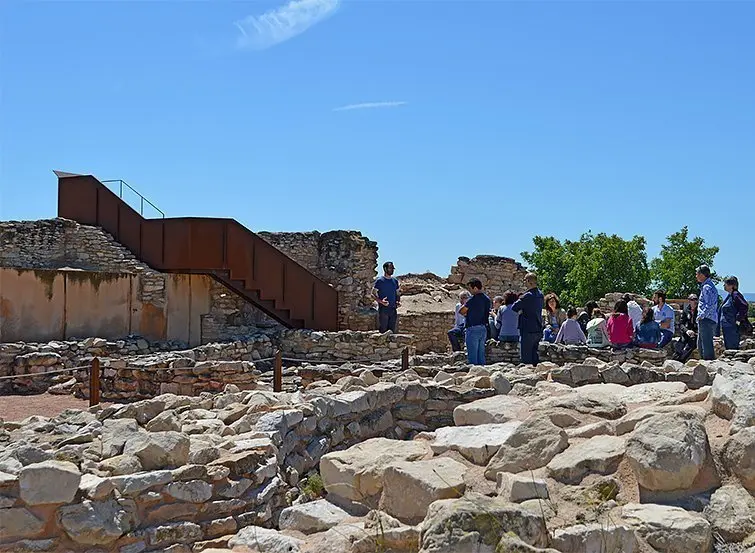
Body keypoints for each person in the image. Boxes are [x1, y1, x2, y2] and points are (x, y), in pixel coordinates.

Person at [512, 273, 544, 366]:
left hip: (527, 328)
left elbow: (514, 307)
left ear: (529, 281)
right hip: (537, 327)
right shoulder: (541, 294)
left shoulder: (527, 296)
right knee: (534, 356)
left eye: (525, 280)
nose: (524, 282)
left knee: (526, 358)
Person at [459, 279, 491, 365]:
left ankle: (474, 374)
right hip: (483, 327)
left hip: (472, 328)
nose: (469, 291)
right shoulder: (487, 299)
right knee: (481, 353)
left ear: (475, 288)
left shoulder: (472, 300)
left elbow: (461, 311)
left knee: (472, 355)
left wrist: (467, 314)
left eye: (470, 288)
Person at [720, 276, 750, 350]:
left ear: (731, 285)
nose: (724, 285)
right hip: (728, 328)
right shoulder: (730, 295)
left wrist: (738, 320)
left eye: (725, 284)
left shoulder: (735, 294)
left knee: (732, 349)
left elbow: (744, 306)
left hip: (732, 328)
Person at [696, 265, 719, 360]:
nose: (696, 276)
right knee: (701, 344)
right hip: (708, 319)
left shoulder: (707, 287)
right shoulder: (709, 286)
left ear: (702, 275)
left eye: (697, 273)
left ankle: (708, 365)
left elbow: (710, 304)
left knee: (706, 345)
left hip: (706, 319)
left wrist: (702, 315)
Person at [373, 262, 401, 333]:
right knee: (383, 331)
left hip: (393, 309)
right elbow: (372, 294)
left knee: (392, 332)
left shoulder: (395, 281)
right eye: (390, 268)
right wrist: (381, 302)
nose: (392, 270)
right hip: (383, 310)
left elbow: (397, 293)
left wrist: (398, 301)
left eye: (393, 268)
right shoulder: (379, 281)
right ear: (385, 269)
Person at [674, 294, 699, 362]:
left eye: (695, 299)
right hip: (687, 332)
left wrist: (695, 332)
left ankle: (681, 360)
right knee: (680, 343)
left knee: (691, 345)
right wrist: (686, 331)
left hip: (696, 333)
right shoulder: (686, 310)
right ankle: (675, 359)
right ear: (689, 301)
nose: (694, 301)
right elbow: (681, 323)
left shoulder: (700, 310)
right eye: (692, 299)